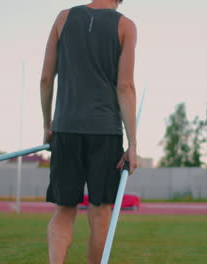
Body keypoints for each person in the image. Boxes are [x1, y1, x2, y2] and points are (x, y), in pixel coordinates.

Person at [39, 0, 137, 263]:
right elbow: (125, 86)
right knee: (100, 214)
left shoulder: (63, 18)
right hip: (105, 133)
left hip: (65, 129)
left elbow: (46, 77)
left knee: (64, 212)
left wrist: (48, 125)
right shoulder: (126, 26)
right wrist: (133, 145)